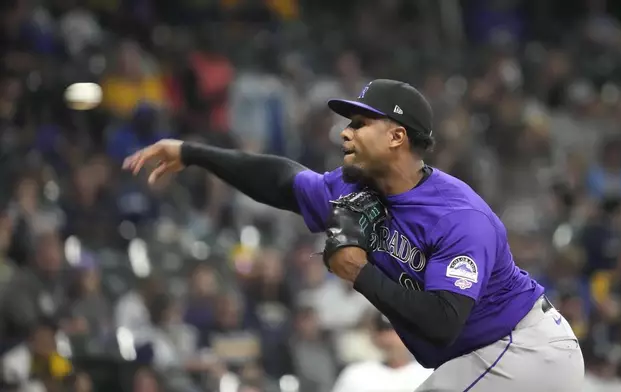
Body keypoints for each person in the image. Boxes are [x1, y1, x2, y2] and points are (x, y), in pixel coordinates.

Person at [123, 79, 585, 391]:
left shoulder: (459, 216)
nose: (346, 133)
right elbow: (282, 181)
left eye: (360, 124)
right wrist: (193, 152)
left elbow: (443, 324)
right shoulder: (355, 186)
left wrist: (359, 273)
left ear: (397, 137)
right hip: (486, 356)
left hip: (523, 350)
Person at [331, 312, 433, 392]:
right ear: (375, 337)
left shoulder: (429, 374)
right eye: (383, 332)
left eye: (396, 331)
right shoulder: (356, 374)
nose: (389, 339)